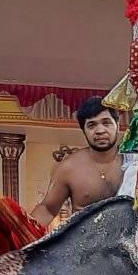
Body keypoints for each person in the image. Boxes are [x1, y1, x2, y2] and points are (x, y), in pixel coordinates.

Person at [33, 97, 126, 228]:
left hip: (127, 244)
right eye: (92, 125)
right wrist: (21, 239)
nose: (100, 131)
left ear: (117, 125)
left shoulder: (136, 163)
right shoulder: (69, 168)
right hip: (84, 244)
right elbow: (47, 209)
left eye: (106, 123)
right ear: (84, 131)